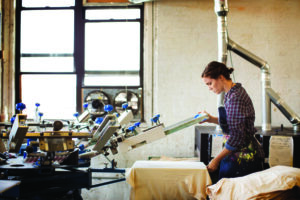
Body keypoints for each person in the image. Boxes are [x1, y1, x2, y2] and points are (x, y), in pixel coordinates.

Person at [200, 61, 264, 180]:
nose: (209, 88)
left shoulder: (235, 97)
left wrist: (216, 160)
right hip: (236, 155)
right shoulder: (230, 94)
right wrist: (210, 119)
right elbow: (234, 123)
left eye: (210, 83)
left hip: (243, 159)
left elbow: (236, 137)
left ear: (220, 77)